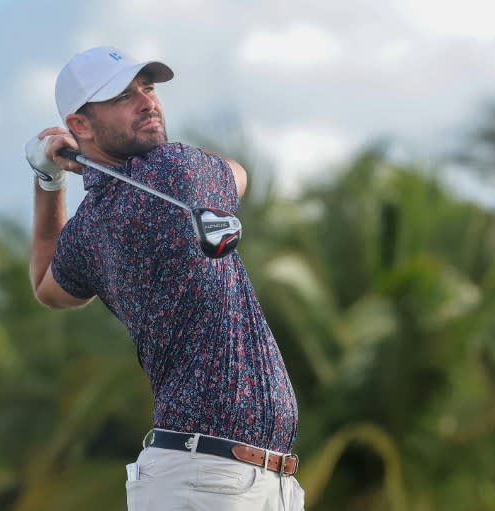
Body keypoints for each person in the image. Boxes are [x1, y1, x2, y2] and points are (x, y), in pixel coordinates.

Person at [25, 46, 304, 511]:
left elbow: (46, 286)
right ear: (80, 126)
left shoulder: (91, 226)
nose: (147, 103)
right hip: (207, 481)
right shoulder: (175, 172)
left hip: (236, 479)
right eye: (122, 97)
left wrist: (47, 177)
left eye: (148, 88)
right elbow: (238, 173)